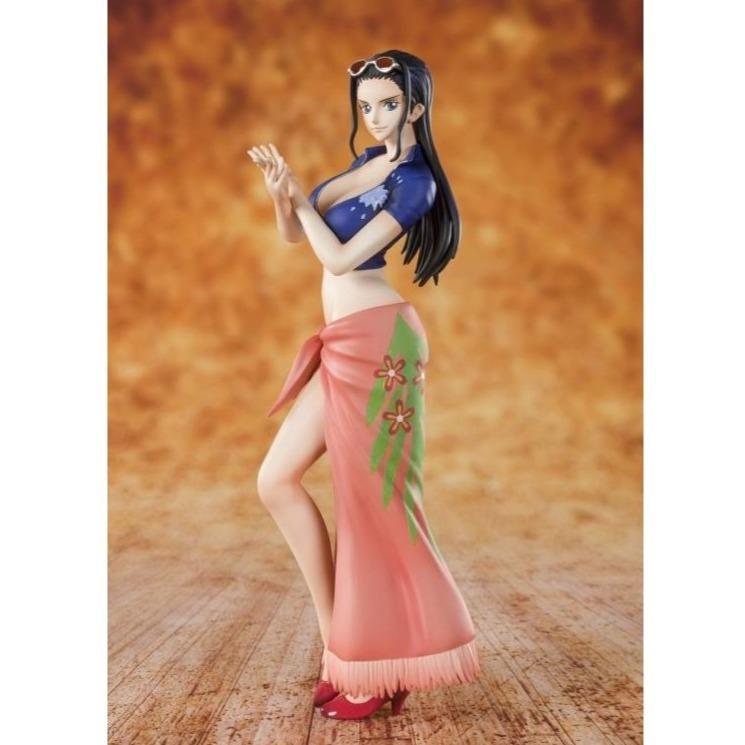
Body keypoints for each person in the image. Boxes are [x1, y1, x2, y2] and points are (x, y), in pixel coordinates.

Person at [249, 50, 480, 720]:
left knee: (374, 508)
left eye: (388, 104)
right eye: (366, 106)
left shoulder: (415, 183)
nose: (375, 116)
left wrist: (303, 201)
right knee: (275, 480)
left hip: (382, 349)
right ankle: (344, 650)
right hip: (344, 345)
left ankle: (379, 663)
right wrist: (282, 196)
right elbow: (298, 238)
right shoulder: (365, 165)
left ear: (415, 107)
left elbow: (342, 256)